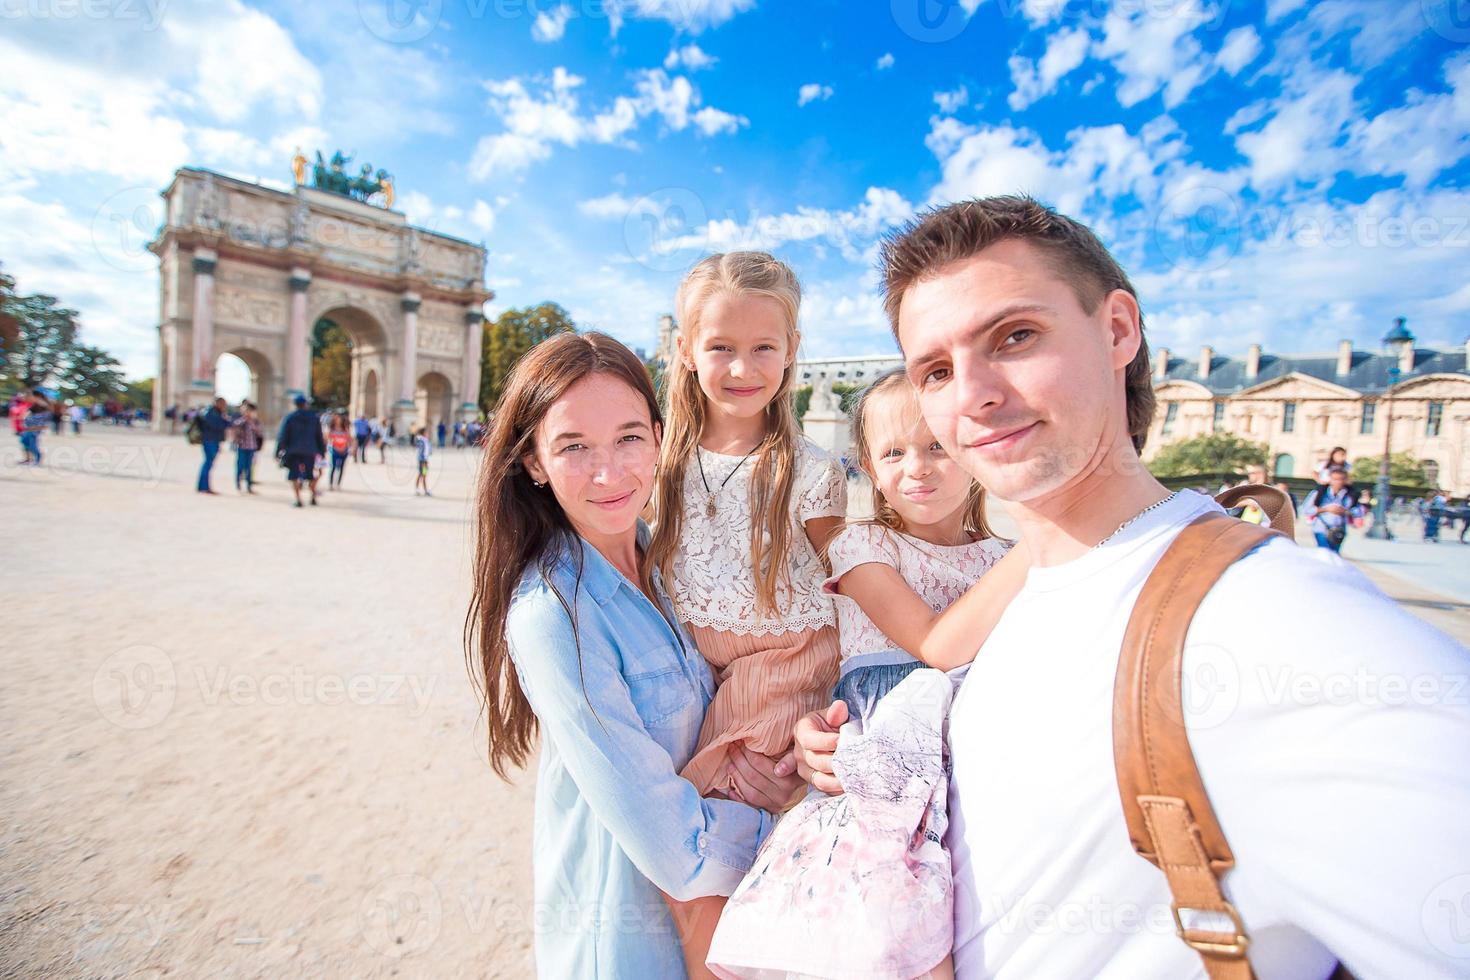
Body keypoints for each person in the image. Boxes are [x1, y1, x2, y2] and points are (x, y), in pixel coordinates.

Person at [792, 196, 1470, 978]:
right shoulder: (1042, 579)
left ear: (1118, 329)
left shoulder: (1281, 625)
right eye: (936, 370)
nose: (971, 394)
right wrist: (855, 751)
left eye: (1015, 337)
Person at [467, 332, 799, 978]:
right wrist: (781, 824)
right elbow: (674, 847)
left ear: (657, 434)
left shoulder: (673, 562)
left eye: (627, 438)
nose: (609, 473)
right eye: (573, 447)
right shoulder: (551, 615)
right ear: (533, 462)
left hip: (720, 930)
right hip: (625, 948)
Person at [707, 370, 1026, 980]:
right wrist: (1047, 532)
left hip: (981, 776)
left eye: (937, 444)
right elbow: (935, 645)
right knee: (897, 947)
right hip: (890, 782)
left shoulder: (1004, 558)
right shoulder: (863, 548)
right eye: (893, 452)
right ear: (868, 467)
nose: (918, 467)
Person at [644, 252, 848, 976]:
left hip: (781, 675)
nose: (743, 366)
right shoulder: (655, 466)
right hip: (703, 679)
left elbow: (857, 597)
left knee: (701, 883)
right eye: (721, 346)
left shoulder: (812, 473)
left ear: (793, 352)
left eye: (765, 347)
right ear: (686, 351)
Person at [276, 394, 325, 508]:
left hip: (293, 451)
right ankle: (312, 496)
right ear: (306, 404)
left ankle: (298, 499)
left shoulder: (290, 418)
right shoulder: (314, 418)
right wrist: (322, 452)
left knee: (294, 475)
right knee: (311, 475)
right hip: (310, 450)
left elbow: (283, 436)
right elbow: (319, 436)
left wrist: (278, 451)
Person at [1302, 466, 1361, 552]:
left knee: (1334, 554)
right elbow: (1306, 509)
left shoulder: (1351, 494)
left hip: (1339, 529)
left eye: (1341, 479)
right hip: (1322, 528)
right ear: (1330, 479)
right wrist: (1326, 509)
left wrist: (1345, 511)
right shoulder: (1320, 492)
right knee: (1325, 553)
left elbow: (1358, 511)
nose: (1338, 482)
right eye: (1335, 479)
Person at [195, 396, 231, 494]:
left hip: (211, 440)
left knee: (208, 464)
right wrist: (225, 421)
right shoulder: (212, 413)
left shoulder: (213, 412)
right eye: (223, 404)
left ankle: (203, 486)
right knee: (208, 464)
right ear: (218, 403)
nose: (224, 406)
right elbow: (219, 425)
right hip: (210, 440)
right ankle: (204, 487)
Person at [230, 401, 264, 493]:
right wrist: (244, 420)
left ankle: (249, 486)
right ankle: (238, 483)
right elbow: (233, 426)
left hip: (252, 447)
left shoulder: (255, 422)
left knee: (249, 467)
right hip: (241, 446)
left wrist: (251, 422)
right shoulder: (240, 421)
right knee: (240, 466)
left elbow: (259, 432)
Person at [18, 390, 52, 465]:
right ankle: (28, 459)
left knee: (32, 443)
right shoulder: (35, 405)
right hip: (29, 427)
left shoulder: (44, 404)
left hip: (35, 428)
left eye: (31, 396)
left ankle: (37, 459)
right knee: (24, 440)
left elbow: (46, 417)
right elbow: (27, 412)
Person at [327, 414, 352, 490]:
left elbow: (350, 439)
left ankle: (338, 484)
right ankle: (331, 484)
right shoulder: (332, 430)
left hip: (344, 451)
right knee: (333, 467)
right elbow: (328, 439)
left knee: (341, 468)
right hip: (335, 451)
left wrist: (349, 447)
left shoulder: (345, 430)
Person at [413, 424, 432, 496]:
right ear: (423, 432)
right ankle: (418, 489)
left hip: (425, 460)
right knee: (421, 474)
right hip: (422, 461)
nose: (427, 433)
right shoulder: (420, 439)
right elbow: (419, 448)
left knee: (424, 474)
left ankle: (425, 490)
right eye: (426, 432)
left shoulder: (425, 440)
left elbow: (428, 450)